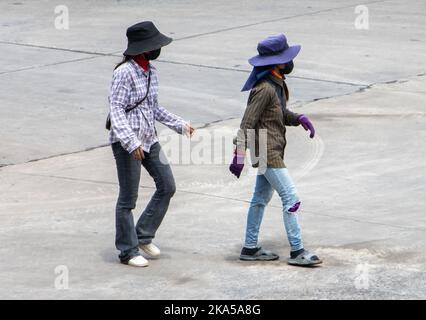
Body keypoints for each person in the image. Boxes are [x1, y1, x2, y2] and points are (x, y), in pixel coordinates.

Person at [229, 34, 322, 266]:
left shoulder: (277, 83)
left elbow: (277, 115)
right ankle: (297, 250)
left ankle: (249, 248)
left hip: (272, 149)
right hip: (267, 151)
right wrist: (239, 155)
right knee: (291, 198)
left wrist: (299, 117)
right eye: (286, 57)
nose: (290, 61)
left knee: (260, 198)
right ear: (278, 62)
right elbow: (247, 123)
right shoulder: (265, 89)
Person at [108, 21, 194, 267]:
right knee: (128, 200)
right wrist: (130, 141)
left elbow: (153, 108)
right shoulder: (123, 73)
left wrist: (180, 124)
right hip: (128, 144)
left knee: (167, 186)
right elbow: (116, 110)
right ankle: (127, 251)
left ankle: (143, 235)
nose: (158, 49)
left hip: (149, 139)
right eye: (155, 45)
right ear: (144, 48)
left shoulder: (151, 72)